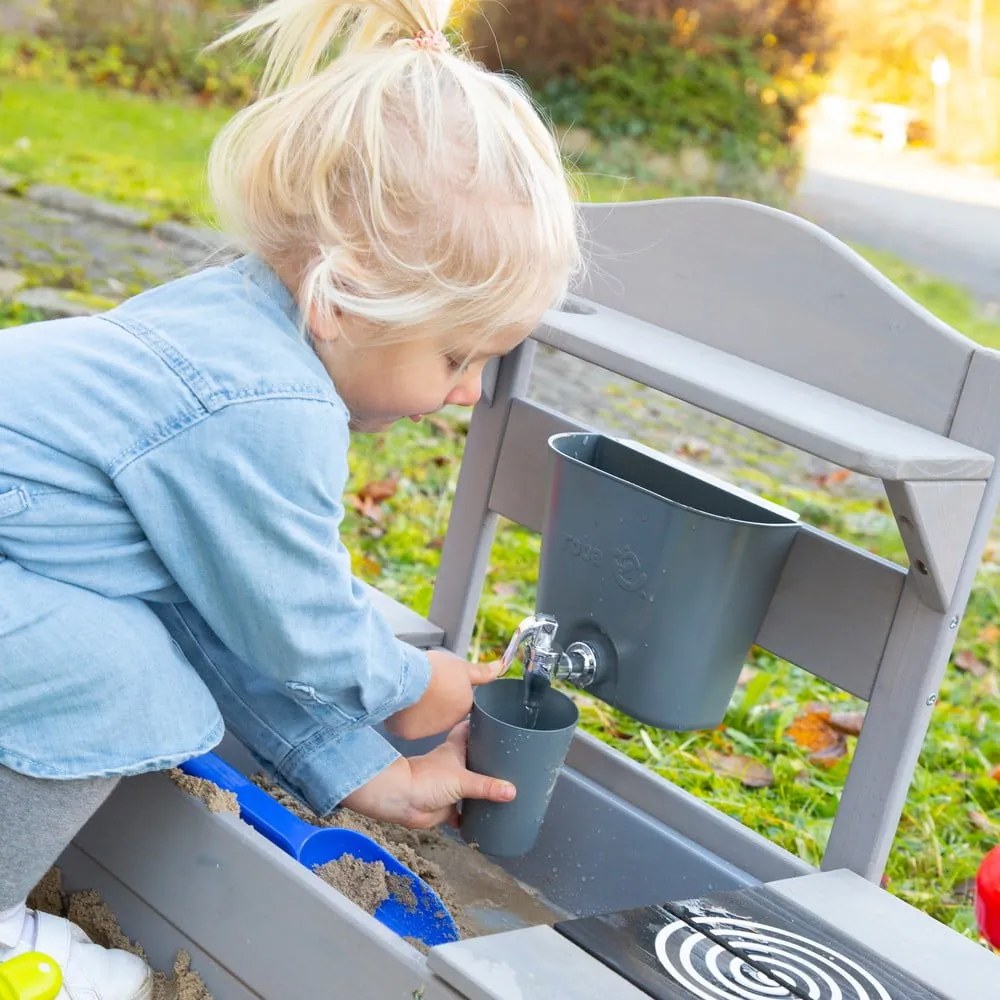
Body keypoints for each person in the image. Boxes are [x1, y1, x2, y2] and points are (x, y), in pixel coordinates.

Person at [0, 0, 582, 996]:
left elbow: (216, 615)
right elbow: (297, 626)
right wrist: (411, 685)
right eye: (458, 352)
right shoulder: (268, 405)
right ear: (347, 297)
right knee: (124, 674)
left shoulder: (227, 324)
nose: (469, 391)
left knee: (142, 645)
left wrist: (369, 771)